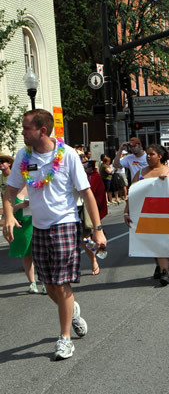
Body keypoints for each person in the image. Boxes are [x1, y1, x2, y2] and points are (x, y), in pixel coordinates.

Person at [2, 109, 107, 361]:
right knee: (48, 285)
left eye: (27, 128)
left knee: (61, 282)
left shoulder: (68, 154)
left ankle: (65, 339)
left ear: (42, 131)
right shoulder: (23, 156)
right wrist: (8, 215)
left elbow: (87, 193)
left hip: (65, 224)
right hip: (39, 226)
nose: (23, 132)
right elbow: (9, 192)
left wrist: (98, 229)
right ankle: (71, 309)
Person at [124, 144, 169, 286]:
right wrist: (126, 211)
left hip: (166, 215)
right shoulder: (141, 173)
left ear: (160, 156)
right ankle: (159, 265)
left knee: (163, 243)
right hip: (146, 215)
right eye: (148, 154)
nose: (148, 156)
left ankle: (165, 272)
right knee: (153, 243)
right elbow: (132, 193)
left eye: (152, 154)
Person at [1, 153, 43, 294]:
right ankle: (32, 283)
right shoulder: (9, 190)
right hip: (20, 224)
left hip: (36, 222)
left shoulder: (33, 186)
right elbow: (5, 208)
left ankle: (44, 281)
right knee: (27, 254)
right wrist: (20, 206)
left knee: (40, 253)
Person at [83, 160, 108, 275]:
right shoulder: (86, 175)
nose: (85, 169)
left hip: (86, 208)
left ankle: (93, 259)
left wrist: (98, 228)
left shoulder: (95, 176)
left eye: (87, 168)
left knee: (85, 238)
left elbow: (91, 192)